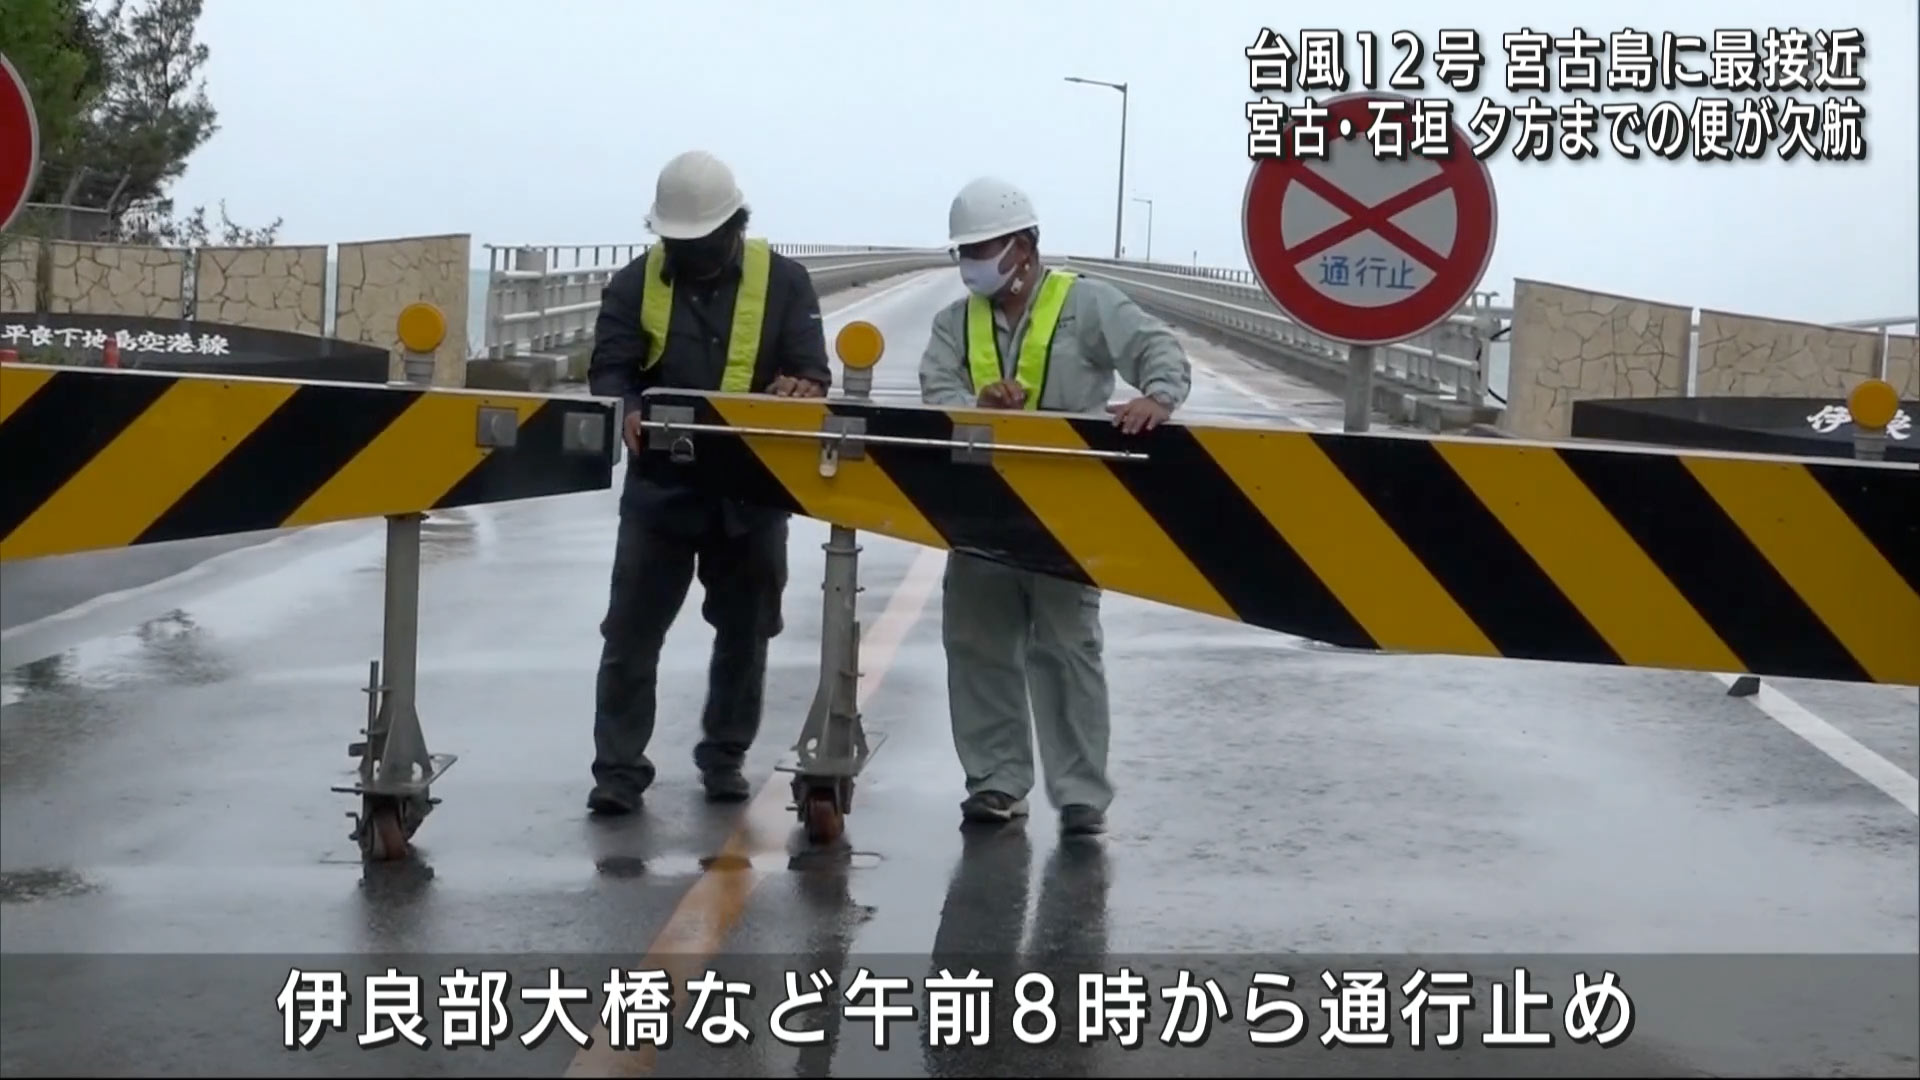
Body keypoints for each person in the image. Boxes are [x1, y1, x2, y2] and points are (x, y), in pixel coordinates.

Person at [918, 176, 1193, 836]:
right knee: (978, 645)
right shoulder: (955, 322)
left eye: (982, 249)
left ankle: (1080, 795)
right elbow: (936, 389)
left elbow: (1157, 348)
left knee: (1067, 648)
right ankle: (995, 782)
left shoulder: (1085, 304)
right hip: (982, 508)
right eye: (964, 251)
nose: (971, 264)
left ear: (1023, 247)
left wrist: (1158, 396)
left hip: (1068, 509)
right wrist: (976, 404)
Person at [583, 149, 832, 815]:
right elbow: (609, 366)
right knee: (631, 635)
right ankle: (617, 770)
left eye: (699, 242)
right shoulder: (637, 283)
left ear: (733, 229)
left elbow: (813, 371)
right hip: (661, 492)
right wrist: (626, 407)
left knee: (746, 631)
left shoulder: (785, 284)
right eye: (675, 242)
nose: (686, 254)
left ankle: (724, 757)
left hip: (750, 495)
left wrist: (801, 386)